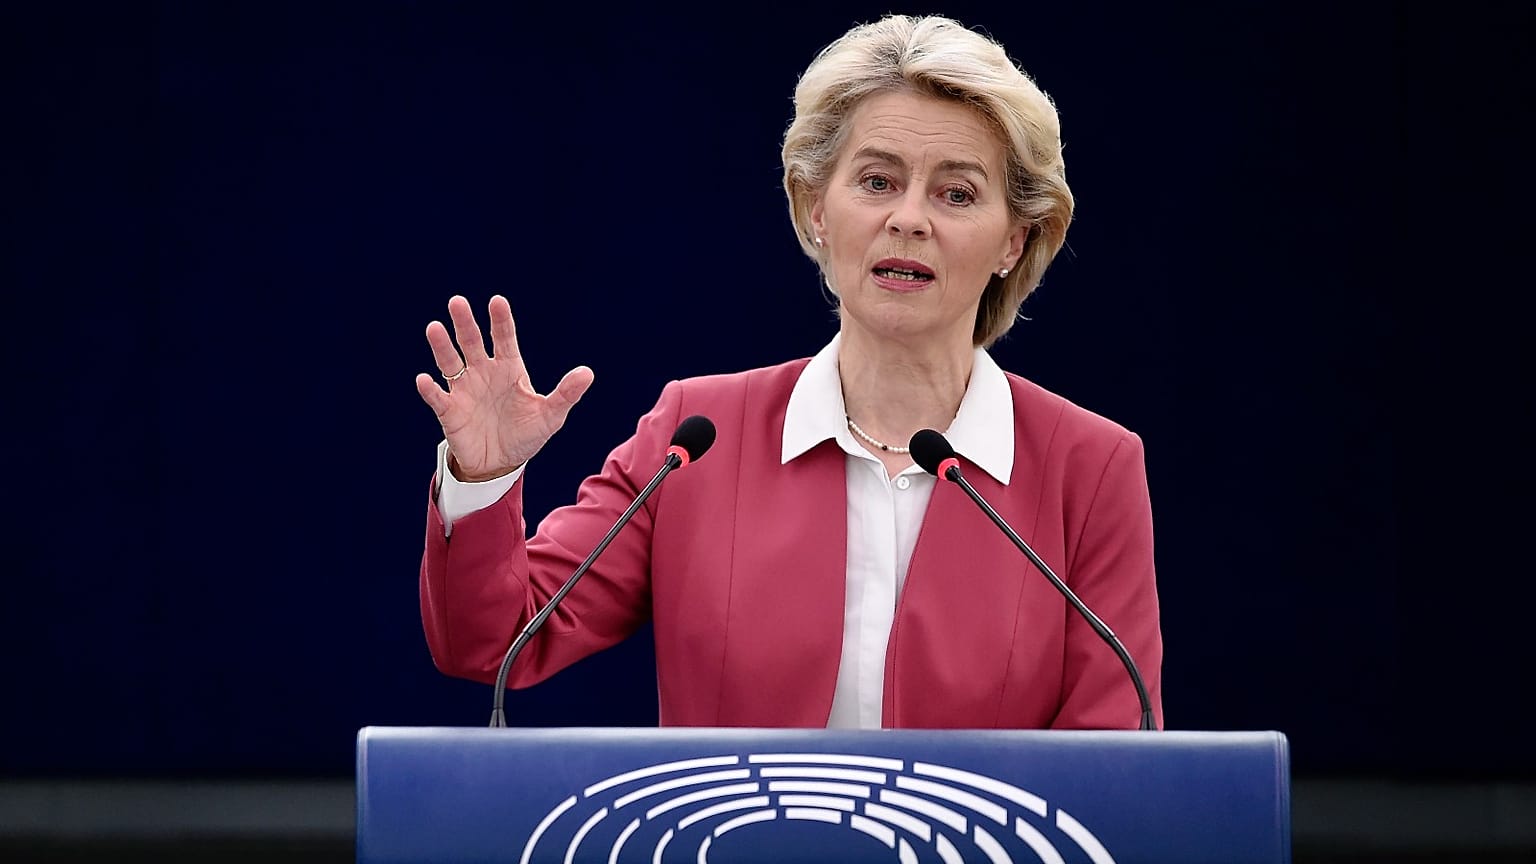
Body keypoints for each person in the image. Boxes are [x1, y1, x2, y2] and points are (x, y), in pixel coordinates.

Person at [415, 13, 1162, 730]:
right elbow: (493, 642)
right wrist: (483, 479)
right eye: (876, 181)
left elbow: (1112, 755)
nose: (909, 218)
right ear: (815, 210)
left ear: (1014, 240)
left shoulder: (1088, 469)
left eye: (957, 193)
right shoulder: (696, 439)